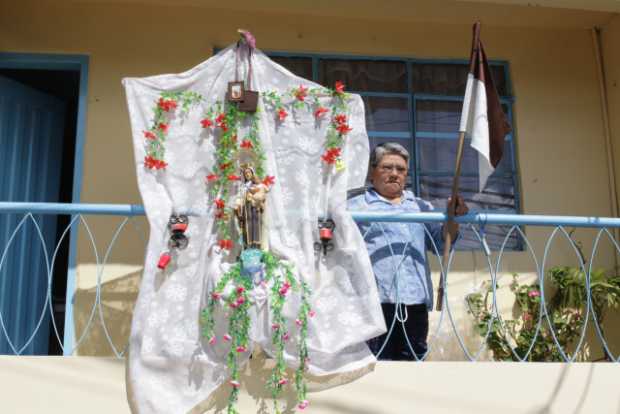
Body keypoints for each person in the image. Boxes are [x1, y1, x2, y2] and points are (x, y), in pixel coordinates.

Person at [348, 142, 468, 360]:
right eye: (387, 167)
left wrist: (454, 218)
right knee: (376, 364)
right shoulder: (356, 206)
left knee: (412, 364)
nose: (395, 174)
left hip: (414, 301)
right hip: (375, 301)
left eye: (401, 169)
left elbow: (442, 244)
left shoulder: (420, 207)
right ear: (372, 172)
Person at [234, 166, 269, 249]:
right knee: (247, 226)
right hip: (246, 208)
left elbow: (263, 193)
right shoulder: (243, 186)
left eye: (249, 172)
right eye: (245, 173)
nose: (247, 174)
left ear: (252, 174)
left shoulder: (256, 184)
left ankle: (257, 245)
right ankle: (248, 246)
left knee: (256, 225)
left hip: (255, 208)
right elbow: (240, 197)